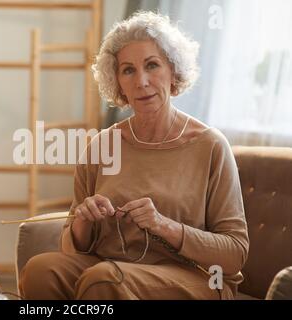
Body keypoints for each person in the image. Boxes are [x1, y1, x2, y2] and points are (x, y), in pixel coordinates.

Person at [19, 11, 249, 300]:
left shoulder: (211, 145)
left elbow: (235, 254)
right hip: (112, 270)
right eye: (128, 70)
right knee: (41, 269)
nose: (141, 81)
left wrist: (163, 225)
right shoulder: (103, 145)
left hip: (200, 277)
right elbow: (70, 246)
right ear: (118, 84)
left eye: (152, 65)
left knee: (105, 278)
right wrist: (83, 221)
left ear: (174, 71)